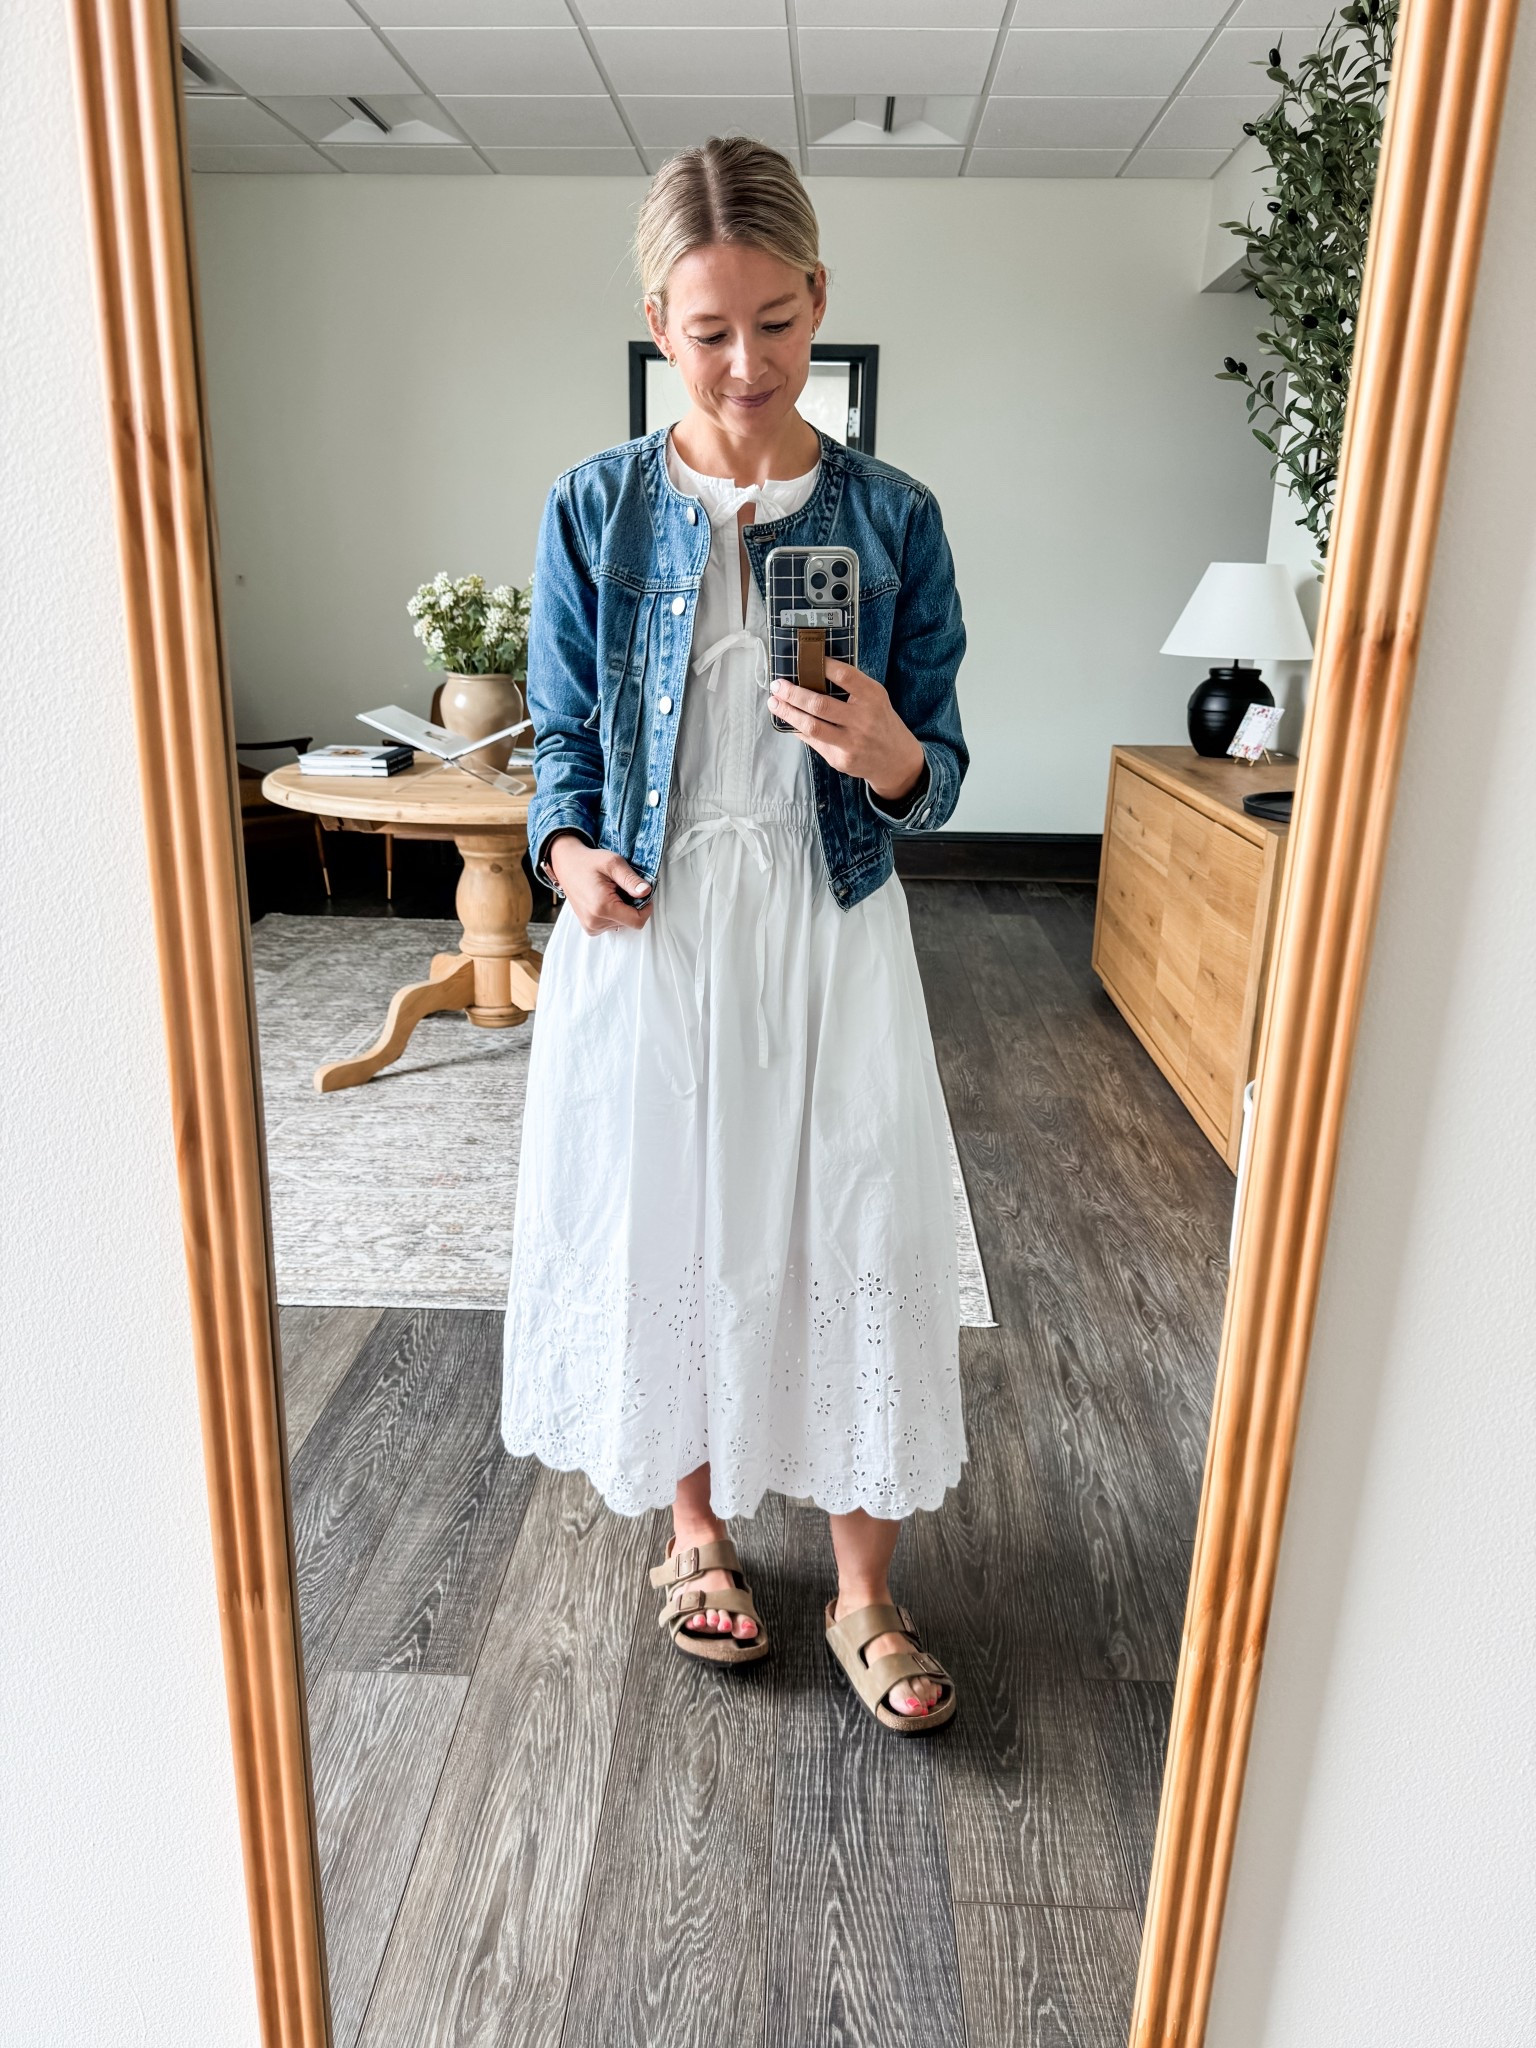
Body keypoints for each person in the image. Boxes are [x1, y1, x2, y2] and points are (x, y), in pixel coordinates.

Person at [502, 135, 968, 1731]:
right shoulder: (594, 508)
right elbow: (563, 742)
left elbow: (939, 774)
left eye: (776, 323)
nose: (749, 364)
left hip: (827, 924)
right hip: (655, 928)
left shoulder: (893, 517)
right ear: (658, 323)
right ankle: (694, 1530)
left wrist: (888, 755)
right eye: (710, 331)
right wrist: (565, 853)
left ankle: (862, 1589)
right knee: (674, 1216)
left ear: (818, 297)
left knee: (855, 1220)